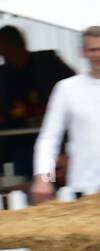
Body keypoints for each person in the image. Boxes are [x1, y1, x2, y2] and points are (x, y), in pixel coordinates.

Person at [0, 25, 75, 178]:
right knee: (24, 184)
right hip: (19, 143)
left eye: (1, 46)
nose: (0, 52)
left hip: (51, 140)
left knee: (51, 180)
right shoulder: (2, 74)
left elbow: (72, 88)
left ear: (15, 44)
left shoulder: (47, 62)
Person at [32, 26, 100, 201]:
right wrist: (44, 179)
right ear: (83, 52)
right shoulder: (67, 89)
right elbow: (49, 138)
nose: (98, 55)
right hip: (84, 189)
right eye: (93, 49)